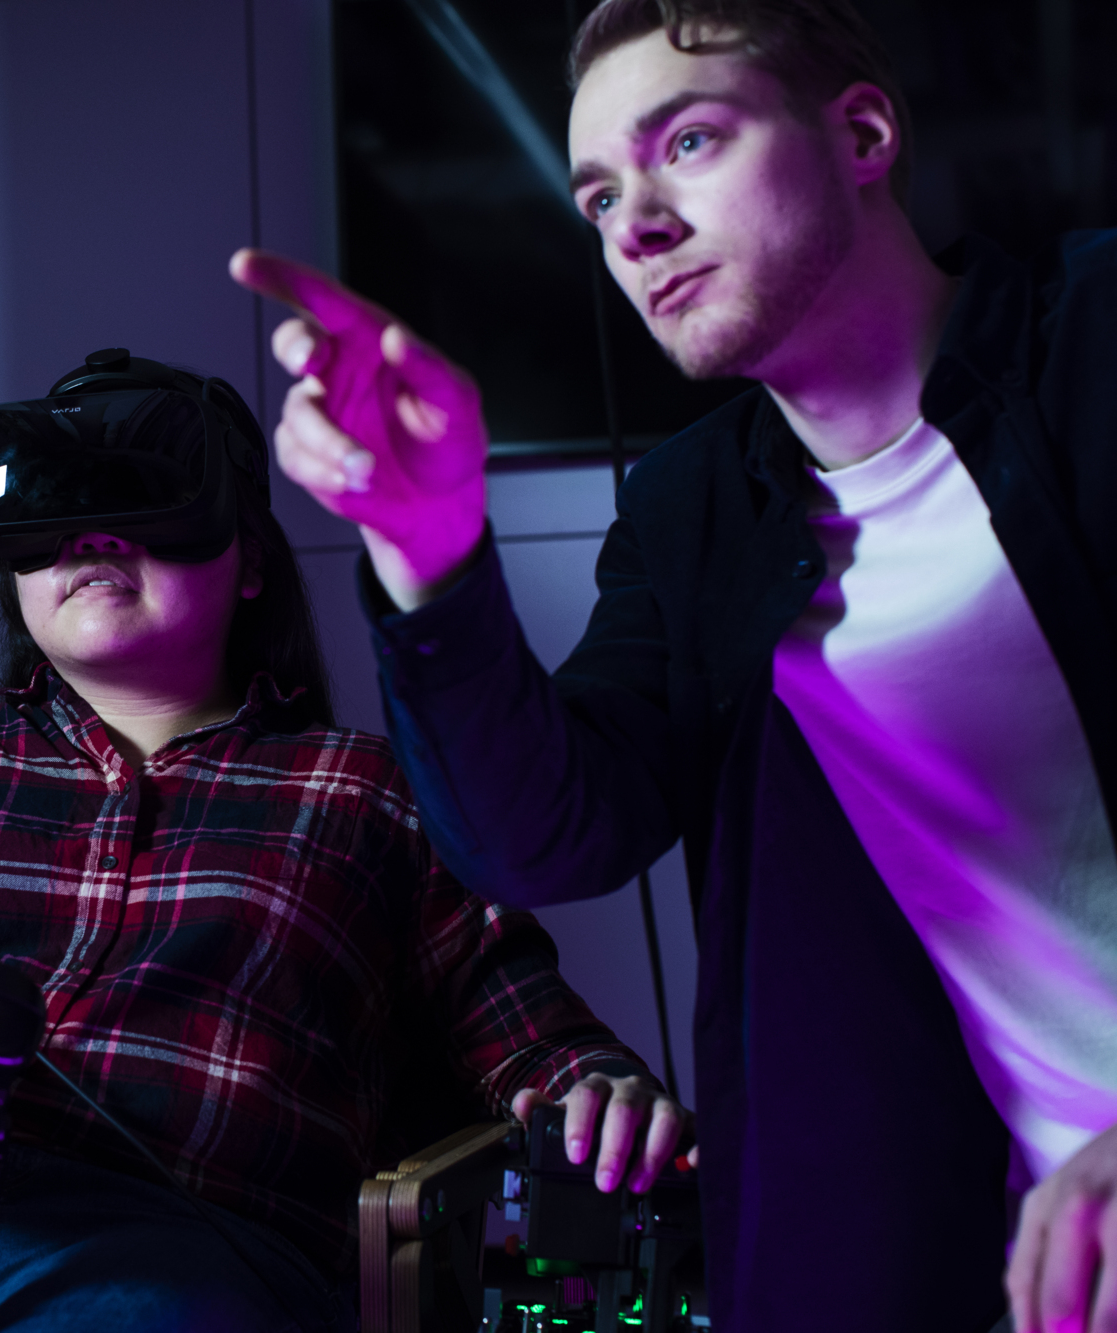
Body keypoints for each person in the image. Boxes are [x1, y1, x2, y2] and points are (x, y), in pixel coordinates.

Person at [230, 1, 1117, 1329]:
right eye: (598, 197)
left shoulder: (1097, 344)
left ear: (861, 132)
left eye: (688, 141)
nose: (634, 224)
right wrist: (431, 552)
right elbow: (546, 835)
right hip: (990, 1247)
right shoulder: (693, 511)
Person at [0, 357, 683, 1332]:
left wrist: (593, 1093)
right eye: (56, 514)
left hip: (190, 1242)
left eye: (139, 500)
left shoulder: (368, 790)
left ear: (248, 562)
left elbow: (526, 1032)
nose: (93, 537)